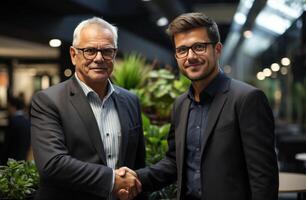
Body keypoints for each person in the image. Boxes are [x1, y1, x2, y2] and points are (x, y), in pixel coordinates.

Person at [118, 12, 279, 200]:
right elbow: (173, 162)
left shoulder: (248, 99)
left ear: (217, 49)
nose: (191, 56)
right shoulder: (180, 104)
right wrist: (136, 177)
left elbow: (263, 179)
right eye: (182, 50)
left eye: (199, 47)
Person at [30, 17, 145, 200]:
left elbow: (137, 164)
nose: (99, 58)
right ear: (74, 55)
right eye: (90, 51)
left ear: (114, 54)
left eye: (107, 51)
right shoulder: (48, 101)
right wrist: (112, 180)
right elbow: (53, 164)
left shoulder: (131, 101)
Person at [0, 96, 30, 164]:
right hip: (23, 159)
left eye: (8, 107)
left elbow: (7, 143)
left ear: (12, 107)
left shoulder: (13, 121)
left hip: (11, 160)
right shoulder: (27, 121)